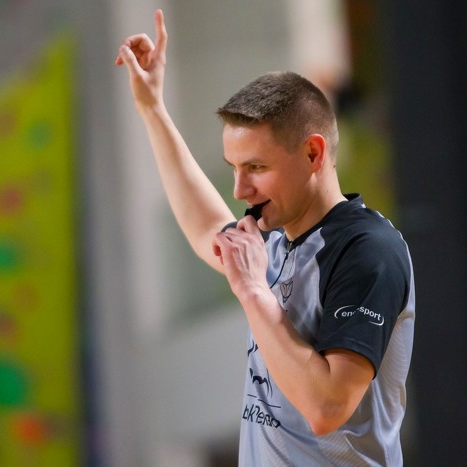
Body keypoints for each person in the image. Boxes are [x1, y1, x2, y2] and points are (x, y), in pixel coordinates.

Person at [115, 9, 415, 466]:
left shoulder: (369, 250)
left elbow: (327, 407)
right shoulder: (275, 240)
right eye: (234, 168)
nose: (239, 190)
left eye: (256, 167)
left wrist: (255, 292)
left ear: (313, 153)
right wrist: (152, 108)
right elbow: (206, 226)